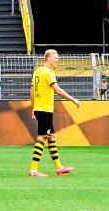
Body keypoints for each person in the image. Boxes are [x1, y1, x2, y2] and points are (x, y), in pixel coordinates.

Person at [29, 49, 80, 177]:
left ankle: (59, 168)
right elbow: (57, 90)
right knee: (42, 138)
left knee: (51, 137)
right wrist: (73, 99)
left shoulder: (37, 71)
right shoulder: (48, 72)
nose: (57, 60)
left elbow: (32, 91)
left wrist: (33, 108)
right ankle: (33, 169)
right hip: (45, 110)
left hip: (40, 109)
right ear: (48, 58)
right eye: (55, 57)